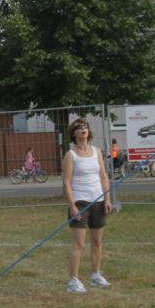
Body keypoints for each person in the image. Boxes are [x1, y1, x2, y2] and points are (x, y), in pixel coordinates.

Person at [63, 119, 112, 294]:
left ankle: (96, 275)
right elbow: (66, 183)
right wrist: (73, 206)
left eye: (85, 127)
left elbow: (103, 176)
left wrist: (107, 199)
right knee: (79, 244)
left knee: (97, 242)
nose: (83, 129)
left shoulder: (96, 151)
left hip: (98, 201)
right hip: (80, 203)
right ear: (74, 134)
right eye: (79, 128)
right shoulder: (71, 155)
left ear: (89, 132)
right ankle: (73, 281)